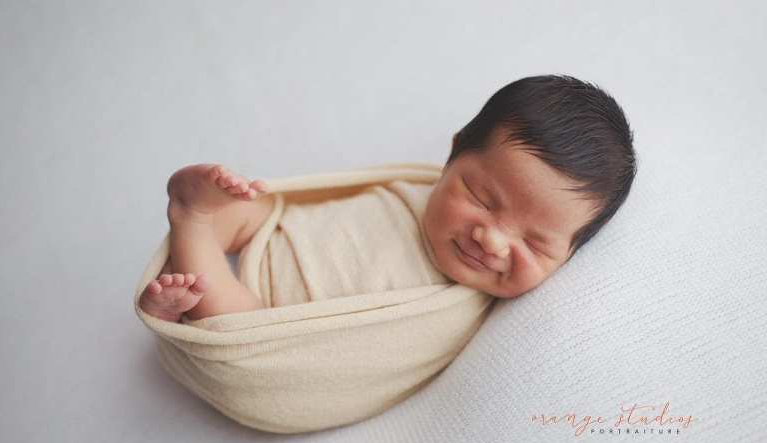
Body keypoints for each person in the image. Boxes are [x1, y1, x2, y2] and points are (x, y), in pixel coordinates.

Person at [138, 74, 637, 322]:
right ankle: (203, 237)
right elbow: (316, 204)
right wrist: (253, 214)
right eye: (482, 198)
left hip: (267, 319)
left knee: (235, 328)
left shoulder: (452, 311)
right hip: (270, 241)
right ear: (454, 152)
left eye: (535, 241)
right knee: (252, 207)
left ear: (571, 254)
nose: (492, 239)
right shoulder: (410, 191)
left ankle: (192, 224)